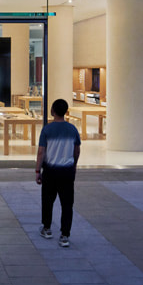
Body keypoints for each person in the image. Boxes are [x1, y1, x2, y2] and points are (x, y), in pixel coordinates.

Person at [36, 98, 82, 248]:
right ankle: (65, 236)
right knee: (67, 204)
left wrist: (38, 170)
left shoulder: (47, 130)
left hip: (50, 171)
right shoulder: (72, 129)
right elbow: (77, 150)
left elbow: (41, 152)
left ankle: (47, 229)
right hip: (67, 171)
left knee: (48, 200)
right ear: (66, 111)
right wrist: (74, 164)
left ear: (52, 111)